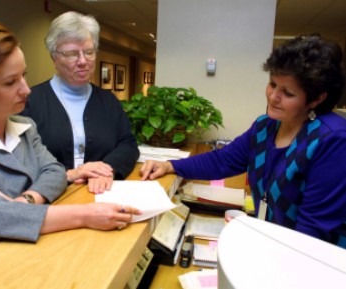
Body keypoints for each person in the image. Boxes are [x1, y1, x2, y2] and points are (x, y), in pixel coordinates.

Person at [0, 20, 140, 256]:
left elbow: (55, 173)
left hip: (36, 249)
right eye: (10, 82)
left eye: (23, 76)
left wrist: (24, 201)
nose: (26, 89)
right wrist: (85, 215)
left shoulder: (24, 126)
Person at [140, 35, 346, 248]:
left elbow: (312, 233)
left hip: (312, 262)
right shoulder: (266, 126)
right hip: (275, 246)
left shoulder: (333, 141)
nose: (273, 96)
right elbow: (223, 161)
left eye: (287, 93)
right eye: (272, 84)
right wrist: (170, 165)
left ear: (317, 98)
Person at [21, 11, 139, 194]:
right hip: (49, 197)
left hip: (101, 194)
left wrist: (106, 169)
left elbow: (128, 144)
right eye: (72, 54)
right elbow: (20, 160)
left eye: (89, 52)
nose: (83, 61)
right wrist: (70, 174)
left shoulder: (108, 101)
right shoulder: (30, 102)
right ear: (54, 57)